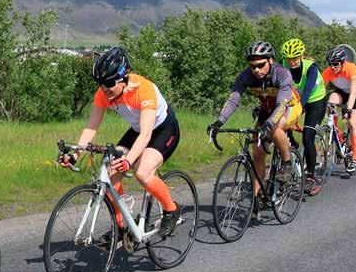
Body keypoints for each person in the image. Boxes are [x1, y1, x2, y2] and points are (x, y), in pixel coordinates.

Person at [59, 47, 181, 238]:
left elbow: (146, 135)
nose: (104, 89)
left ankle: (171, 210)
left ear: (124, 78)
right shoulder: (103, 93)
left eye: (109, 83)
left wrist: (128, 160)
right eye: (100, 84)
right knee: (110, 172)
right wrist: (74, 154)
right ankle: (121, 227)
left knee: (142, 173)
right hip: (137, 130)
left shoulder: (144, 89)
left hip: (163, 129)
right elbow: (91, 128)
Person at [208, 41, 302, 208]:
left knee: (274, 128)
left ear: (271, 60)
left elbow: (282, 104)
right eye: (252, 66)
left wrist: (271, 122)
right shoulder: (246, 76)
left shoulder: (282, 74)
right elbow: (233, 99)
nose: (256, 70)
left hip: (289, 107)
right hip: (267, 110)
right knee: (257, 152)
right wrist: (219, 121)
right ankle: (258, 195)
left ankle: (286, 163)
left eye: (260, 65)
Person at [281, 38, 326, 196]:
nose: (291, 62)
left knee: (308, 136)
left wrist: (299, 108)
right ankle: (291, 143)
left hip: (316, 100)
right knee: (281, 123)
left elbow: (307, 90)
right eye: (288, 58)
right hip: (297, 98)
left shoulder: (311, 67)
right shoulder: (284, 65)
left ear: (301, 56)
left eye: (294, 58)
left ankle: (311, 176)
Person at [322, 46, 356, 173]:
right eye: (330, 64)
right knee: (331, 101)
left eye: (335, 64)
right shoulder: (329, 71)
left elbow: (353, 93)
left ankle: (355, 158)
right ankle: (335, 132)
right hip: (342, 92)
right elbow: (319, 90)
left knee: (352, 122)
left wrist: (349, 109)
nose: (332, 67)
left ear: (342, 62)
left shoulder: (352, 69)